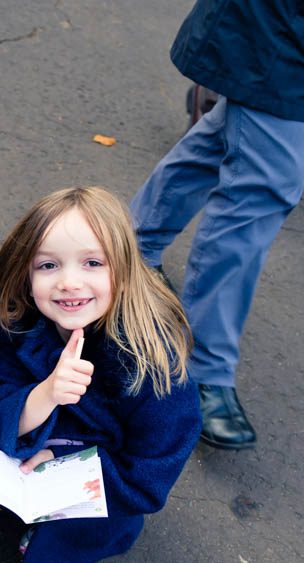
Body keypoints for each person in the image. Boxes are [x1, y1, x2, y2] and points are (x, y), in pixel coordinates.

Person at [0, 187, 201, 563]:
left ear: (125, 270)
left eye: (93, 263)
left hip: (107, 473)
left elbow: (150, 473)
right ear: (25, 275)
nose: (68, 282)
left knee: (88, 526)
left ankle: (55, 519)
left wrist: (63, 464)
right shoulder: (24, 323)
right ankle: (28, 477)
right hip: (44, 427)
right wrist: (46, 393)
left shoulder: (155, 363)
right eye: (48, 265)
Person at [129, 0, 304, 449]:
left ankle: (132, 242)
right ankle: (204, 366)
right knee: (263, 185)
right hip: (280, 27)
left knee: (231, 138)